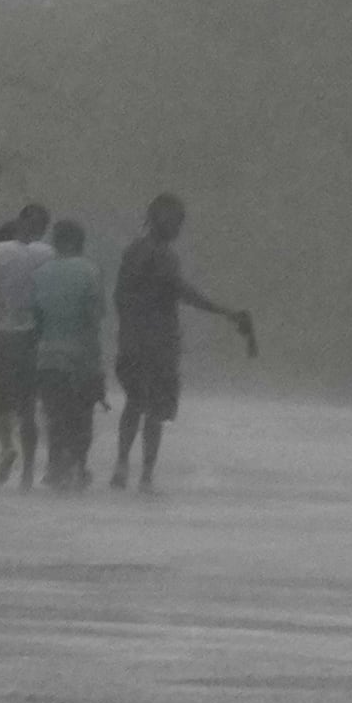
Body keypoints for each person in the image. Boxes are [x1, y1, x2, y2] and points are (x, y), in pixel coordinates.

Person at [110, 193, 254, 493]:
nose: (177, 227)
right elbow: (181, 291)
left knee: (136, 404)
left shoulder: (134, 251)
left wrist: (129, 327)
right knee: (153, 410)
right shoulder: (162, 256)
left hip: (135, 341)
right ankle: (145, 474)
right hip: (158, 343)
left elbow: (121, 297)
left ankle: (124, 465)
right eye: (175, 221)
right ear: (159, 221)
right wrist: (224, 311)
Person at [0, 204, 54, 486]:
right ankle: (28, 472)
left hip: (1, 335)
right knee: (27, 405)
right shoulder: (47, 254)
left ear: (19, 221)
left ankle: (6, 448)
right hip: (31, 338)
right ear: (43, 227)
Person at [28, 219, 108, 489]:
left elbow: (35, 320)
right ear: (79, 243)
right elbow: (93, 319)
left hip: (47, 357)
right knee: (82, 415)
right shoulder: (90, 272)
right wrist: (95, 363)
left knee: (54, 414)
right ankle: (79, 466)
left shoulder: (40, 273)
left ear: (56, 241)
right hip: (80, 357)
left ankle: (54, 467)